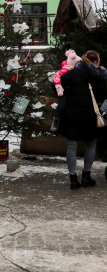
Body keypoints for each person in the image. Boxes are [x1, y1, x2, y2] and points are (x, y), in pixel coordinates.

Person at [58, 50, 107, 189]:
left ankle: (73, 179)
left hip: (71, 114)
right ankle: (86, 177)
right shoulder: (100, 76)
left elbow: (57, 84)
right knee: (91, 145)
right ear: (96, 61)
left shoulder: (73, 72)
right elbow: (100, 95)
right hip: (90, 115)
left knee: (72, 147)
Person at [50, 50, 81, 132]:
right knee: (61, 105)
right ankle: (55, 122)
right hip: (64, 91)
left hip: (73, 91)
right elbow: (56, 77)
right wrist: (58, 86)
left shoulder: (78, 71)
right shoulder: (64, 71)